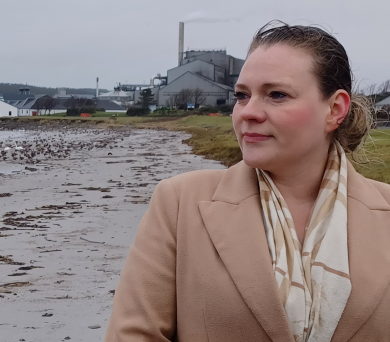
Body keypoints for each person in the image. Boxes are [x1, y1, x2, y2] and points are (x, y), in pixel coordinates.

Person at [104, 21, 389, 342]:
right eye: (242, 95)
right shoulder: (180, 203)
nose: (248, 112)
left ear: (335, 109)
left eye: (276, 95)